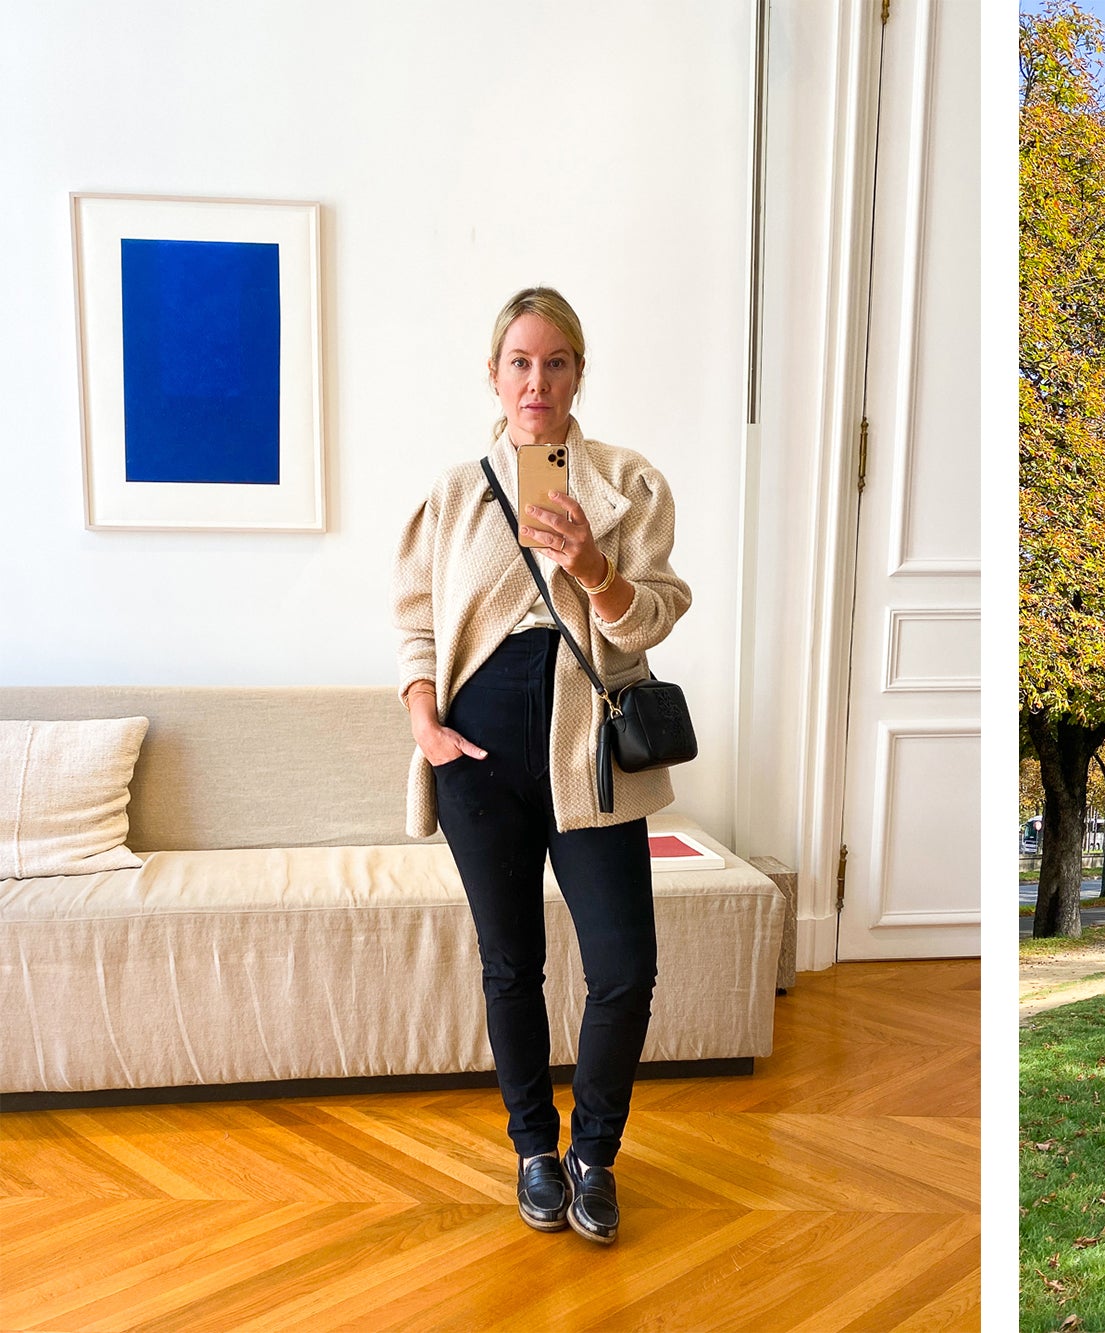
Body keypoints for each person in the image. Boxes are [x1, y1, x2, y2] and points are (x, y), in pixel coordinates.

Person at [393, 288, 692, 1245]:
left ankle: (594, 1155)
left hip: (589, 748)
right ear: (495, 374)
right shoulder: (454, 493)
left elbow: (653, 617)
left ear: (578, 374)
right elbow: (416, 620)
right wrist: (426, 726)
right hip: (479, 755)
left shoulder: (630, 484)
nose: (537, 380)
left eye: (556, 361)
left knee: (625, 968)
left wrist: (596, 570)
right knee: (510, 963)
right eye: (520, 361)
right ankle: (534, 1148)